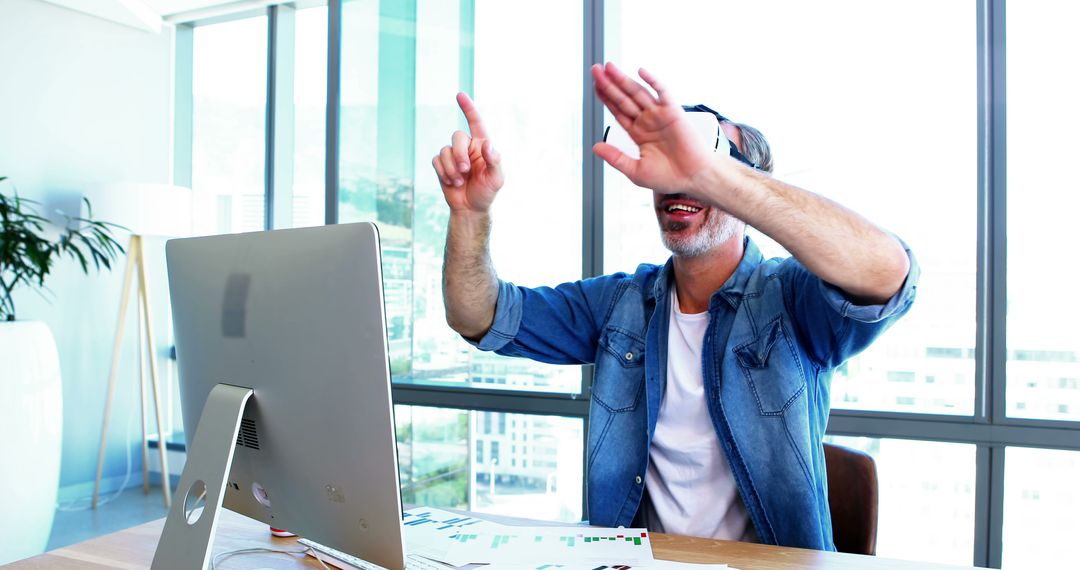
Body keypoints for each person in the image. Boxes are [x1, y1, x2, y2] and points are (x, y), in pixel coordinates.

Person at [431, 62, 918, 551]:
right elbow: (478, 315)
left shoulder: (789, 299)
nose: (677, 179)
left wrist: (710, 175)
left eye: (698, 162)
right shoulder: (621, 304)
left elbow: (888, 274)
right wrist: (470, 215)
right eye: (667, 163)